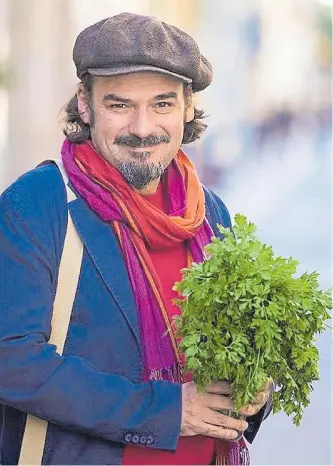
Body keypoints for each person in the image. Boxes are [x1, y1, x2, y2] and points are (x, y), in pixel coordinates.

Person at [0, 12, 273, 466]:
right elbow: (12, 359)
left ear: (188, 107)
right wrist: (167, 411)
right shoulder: (37, 204)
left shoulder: (209, 214)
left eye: (163, 104)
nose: (143, 128)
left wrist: (251, 390)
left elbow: (234, 354)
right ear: (84, 105)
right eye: (120, 105)